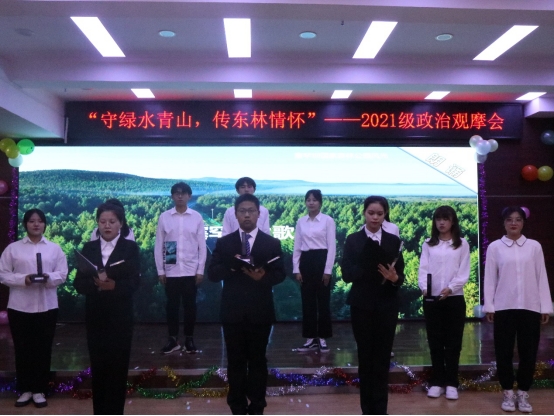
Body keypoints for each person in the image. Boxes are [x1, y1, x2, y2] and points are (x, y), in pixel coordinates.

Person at [208, 193, 286, 415]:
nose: (247, 215)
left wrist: (264, 277)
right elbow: (213, 274)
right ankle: (237, 406)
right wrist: (232, 266)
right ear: (235, 214)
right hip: (233, 312)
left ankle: (257, 405)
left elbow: (280, 273)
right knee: (235, 361)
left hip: (260, 311)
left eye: (251, 211)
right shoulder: (224, 243)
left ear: (259, 214)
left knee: (258, 360)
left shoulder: (271, 243)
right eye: (242, 211)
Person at [73, 202, 140, 415]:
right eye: (102, 221)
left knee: (118, 369)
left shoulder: (130, 248)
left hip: (121, 318)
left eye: (112, 221)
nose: (107, 225)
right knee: (99, 367)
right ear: (97, 223)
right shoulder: (88, 248)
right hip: (96, 316)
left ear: (121, 223)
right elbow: (78, 283)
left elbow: (135, 282)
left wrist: (115, 286)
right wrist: (95, 285)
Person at [484, 206, 552, 414]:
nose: (513, 223)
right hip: (503, 307)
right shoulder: (495, 247)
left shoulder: (534, 246)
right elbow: (490, 278)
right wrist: (490, 305)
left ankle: (523, 392)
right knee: (503, 352)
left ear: (523, 223)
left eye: (518, 219)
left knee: (528, 353)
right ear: (504, 223)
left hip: (530, 307)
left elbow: (541, 276)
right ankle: (507, 392)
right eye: (509, 220)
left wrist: (545, 306)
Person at [341, 195, 404, 415]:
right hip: (362, 305)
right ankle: (367, 410)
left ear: (385, 215)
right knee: (365, 357)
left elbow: (401, 277)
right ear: (364, 213)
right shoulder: (353, 240)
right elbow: (346, 274)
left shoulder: (393, 241)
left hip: (387, 305)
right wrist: (367, 267)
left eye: (380, 214)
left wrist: (394, 278)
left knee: (382, 358)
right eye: (371, 213)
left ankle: (380, 410)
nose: (375, 218)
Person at [0, 209, 68, 409]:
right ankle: (25, 390)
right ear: (25, 224)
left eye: (40, 221)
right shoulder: (13, 249)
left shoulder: (54, 249)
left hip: (47, 306)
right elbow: (3, 274)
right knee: (22, 349)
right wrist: (24, 279)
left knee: (43, 349)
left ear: (45, 224)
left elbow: (62, 274)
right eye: (31, 221)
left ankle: (40, 390)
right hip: (20, 307)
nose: (36, 224)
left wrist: (48, 278)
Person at [418, 206, 470, 401]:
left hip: (454, 298)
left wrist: (451, 288)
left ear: (452, 221)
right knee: (435, 341)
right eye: (438, 219)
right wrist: (425, 288)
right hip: (432, 299)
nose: (441, 222)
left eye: (445, 219)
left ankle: (452, 383)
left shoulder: (462, 244)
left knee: (453, 343)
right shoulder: (428, 244)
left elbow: (463, 272)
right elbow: (423, 268)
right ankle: (437, 382)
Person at [155, 182, 207, 354]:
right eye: (176, 193)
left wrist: (200, 270)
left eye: (183, 193)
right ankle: (173, 340)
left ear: (189, 196)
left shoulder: (196, 217)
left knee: (190, 306)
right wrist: (161, 270)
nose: (180, 196)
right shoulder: (165, 217)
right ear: (172, 196)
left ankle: (189, 339)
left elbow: (201, 246)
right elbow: (159, 245)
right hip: (171, 268)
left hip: (191, 269)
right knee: (172, 306)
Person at [293, 189, 336, 353]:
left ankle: (323, 337)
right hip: (306, 261)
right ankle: (310, 338)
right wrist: (296, 268)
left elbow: (332, 247)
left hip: (322, 260)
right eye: (308, 200)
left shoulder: (327, 220)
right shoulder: (301, 221)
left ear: (320, 202)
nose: (311, 203)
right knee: (307, 302)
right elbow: (297, 246)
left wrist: (328, 270)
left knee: (323, 302)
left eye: (314, 200)